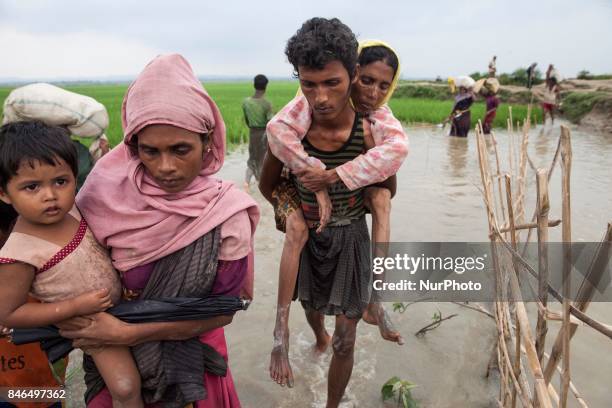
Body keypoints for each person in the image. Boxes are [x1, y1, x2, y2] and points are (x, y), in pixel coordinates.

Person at [60, 54, 259, 407]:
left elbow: (223, 311)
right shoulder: (101, 195)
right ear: (133, 146)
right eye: (150, 151)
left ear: (207, 140)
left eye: (181, 149)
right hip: (119, 363)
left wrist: (126, 331)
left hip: (194, 364)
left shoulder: (226, 214)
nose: (165, 167)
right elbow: (58, 264)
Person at [261, 17, 399, 407]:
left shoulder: (370, 131)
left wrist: (347, 177)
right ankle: (315, 337)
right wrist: (292, 213)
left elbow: (388, 189)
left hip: (352, 239)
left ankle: (333, 404)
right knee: (313, 310)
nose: (320, 97)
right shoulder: (291, 135)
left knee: (346, 340)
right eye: (309, 84)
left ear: (353, 75)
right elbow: (268, 186)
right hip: (309, 239)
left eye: (331, 83)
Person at [0, 121, 143, 407]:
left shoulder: (76, 208)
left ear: (75, 178)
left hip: (130, 305)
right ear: (4, 193)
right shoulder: (19, 252)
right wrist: (73, 308)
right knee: (126, 387)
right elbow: (9, 313)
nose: (50, 195)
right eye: (31, 187)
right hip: (90, 323)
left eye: (60, 181)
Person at [243, 74, 273, 189]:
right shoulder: (266, 104)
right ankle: (261, 183)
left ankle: (246, 183)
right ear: (265, 86)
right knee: (262, 160)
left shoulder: (246, 102)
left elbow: (247, 121)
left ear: (254, 85)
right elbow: (270, 123)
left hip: (252, 133)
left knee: (252, 158)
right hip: (263, 135)